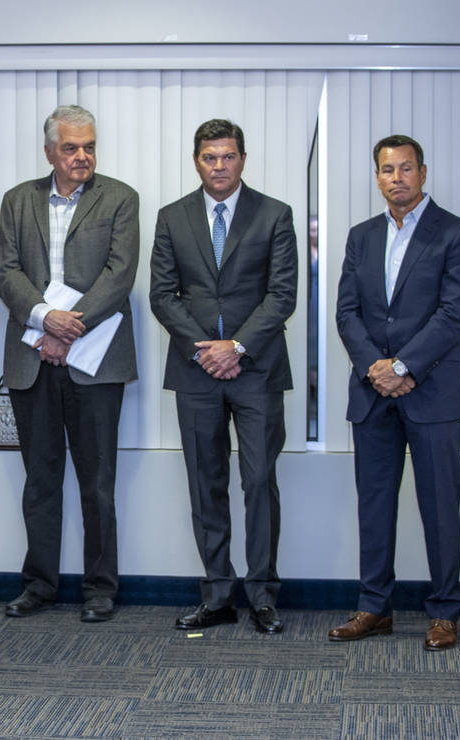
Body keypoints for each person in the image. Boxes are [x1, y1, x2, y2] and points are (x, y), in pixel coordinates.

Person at [330, 135, 460, 651]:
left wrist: (402, 365)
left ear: (423, 172)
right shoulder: (361, 236)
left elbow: (455, 312)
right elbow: (346, 312)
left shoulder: (457, 234)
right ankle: (375, 607)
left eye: (407, 168)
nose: (397, 177)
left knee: (440, 504)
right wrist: (376, 369)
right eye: (388, 170)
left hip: (431, 390)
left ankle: (444, 611)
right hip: (372, 391)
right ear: (377, 177)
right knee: (374, 504)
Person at [149, 118, 297, 635]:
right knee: (205, 484)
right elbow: (162, 296)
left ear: (242, 159)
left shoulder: (275, 215)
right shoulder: (172, 217)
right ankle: (217, 595)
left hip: (255, 370)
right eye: (209, 157)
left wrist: (235, 347)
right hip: (195, 373)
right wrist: (203, 351)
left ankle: (262, 595)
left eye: (228, 156)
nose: (219, 166)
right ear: (197, 161)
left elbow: (282, 295)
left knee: (258, 482)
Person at [0, 105, 139, 623]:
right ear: (50, 151)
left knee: (97, 480)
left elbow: (119, 276)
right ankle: (39, 584)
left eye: (90, 146)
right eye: (72, 148)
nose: (83, 156)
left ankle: (100, 588)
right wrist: (44, 319)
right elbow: (6, 275)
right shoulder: (18, 201)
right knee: (40, 479)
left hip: (95, 359)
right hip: (33, 357)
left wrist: (67, 326)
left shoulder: (120, 198)